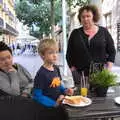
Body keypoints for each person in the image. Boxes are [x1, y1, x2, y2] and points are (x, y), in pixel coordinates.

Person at [66, 5, 116, 89]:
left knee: (99, 99)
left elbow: (112, 51)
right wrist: (73, 70)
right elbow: (69, 54)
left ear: (94, 16)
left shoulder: (103, 32)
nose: (85, 19)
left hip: (100, 74)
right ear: (80, 18)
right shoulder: (75, 34)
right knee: (82, 98)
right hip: (80, 74)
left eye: (88, 16)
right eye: (83, 17)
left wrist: (108, 69)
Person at [33, 38, 74, 107]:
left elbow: (58, 84)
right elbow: (37, 96)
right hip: (49, 109)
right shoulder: (41, 74)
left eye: (56, 52)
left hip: (60, 102)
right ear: (42, 55)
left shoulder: (56, 68)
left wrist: (65, 91)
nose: (55, 55)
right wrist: (54, 103)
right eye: (51, 53)